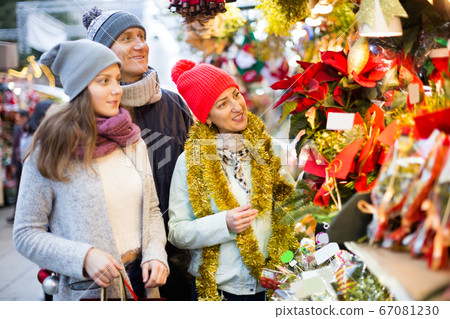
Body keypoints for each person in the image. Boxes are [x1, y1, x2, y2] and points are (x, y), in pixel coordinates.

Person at [13, 39, 168, 301]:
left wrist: (155, 253)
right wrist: (83, 257)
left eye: (117, 80)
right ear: (80, 88)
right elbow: (26, 233)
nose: (116, 90)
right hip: (89, 291)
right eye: (103, 81)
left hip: (143, 284)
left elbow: (152, 210)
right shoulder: (50, 149)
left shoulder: (132, 140)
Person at [82, 6, 193, 300]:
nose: (140, 45)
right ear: (103, 53)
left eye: (142, 36)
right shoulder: (88, 112)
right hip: (112, 262)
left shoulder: (174, 104)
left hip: (177, 254)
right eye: (127, 38)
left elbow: (197, 170)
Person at [168, 60, 296, 301]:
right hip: (219, 292)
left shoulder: (271, 150)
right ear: (207, 117)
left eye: (236, 94)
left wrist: (287, 260)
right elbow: (177, 232)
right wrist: (223, 224)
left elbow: (292, 212)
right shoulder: (189, 162)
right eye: (223, 103)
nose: (237, 106)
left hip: (271, 287)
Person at [6, 109, 29, 224]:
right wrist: (14, 164)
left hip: (27, 165)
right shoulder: (17, 129)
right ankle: (17, 215)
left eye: (18, 118)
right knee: (18, 191)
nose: (17, 120)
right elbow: (15, 147)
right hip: (19, 165)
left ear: (25, 117)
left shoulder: (29, 128)